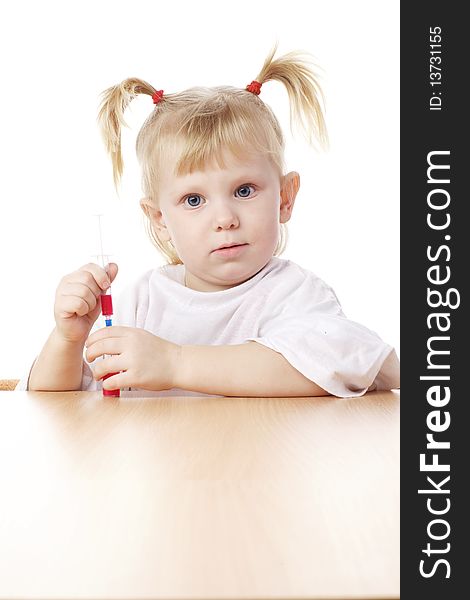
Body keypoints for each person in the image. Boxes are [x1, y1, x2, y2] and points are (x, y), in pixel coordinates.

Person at [19, 44, 399, 398]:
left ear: (284, 198)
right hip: (163, 471)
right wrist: (66, 340)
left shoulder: (294, 295)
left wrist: (174, 362)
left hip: (267, 467)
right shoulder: (140, 303)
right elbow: (53, 408)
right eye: (194, 199)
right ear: (159, 219)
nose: (224, 219)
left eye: (245, 190)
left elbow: (327, 367)